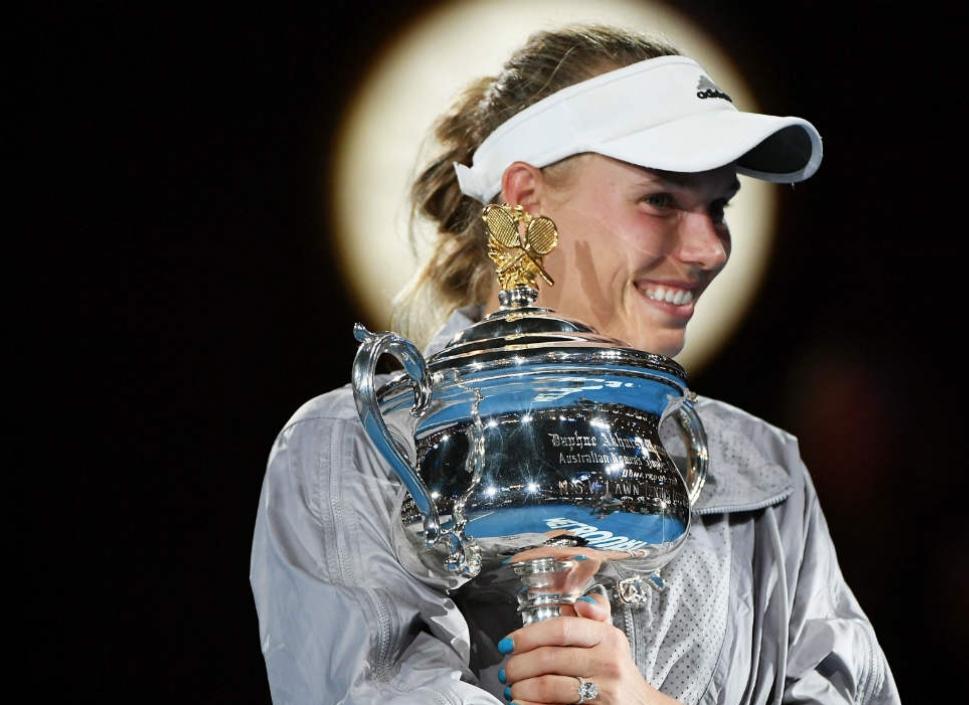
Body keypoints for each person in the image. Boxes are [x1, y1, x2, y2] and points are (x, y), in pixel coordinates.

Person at [250, 24, 901, 705]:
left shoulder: (762, 470)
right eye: (661, 201)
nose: (709, 247)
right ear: (526, 199)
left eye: (718, 207)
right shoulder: (349, 452)